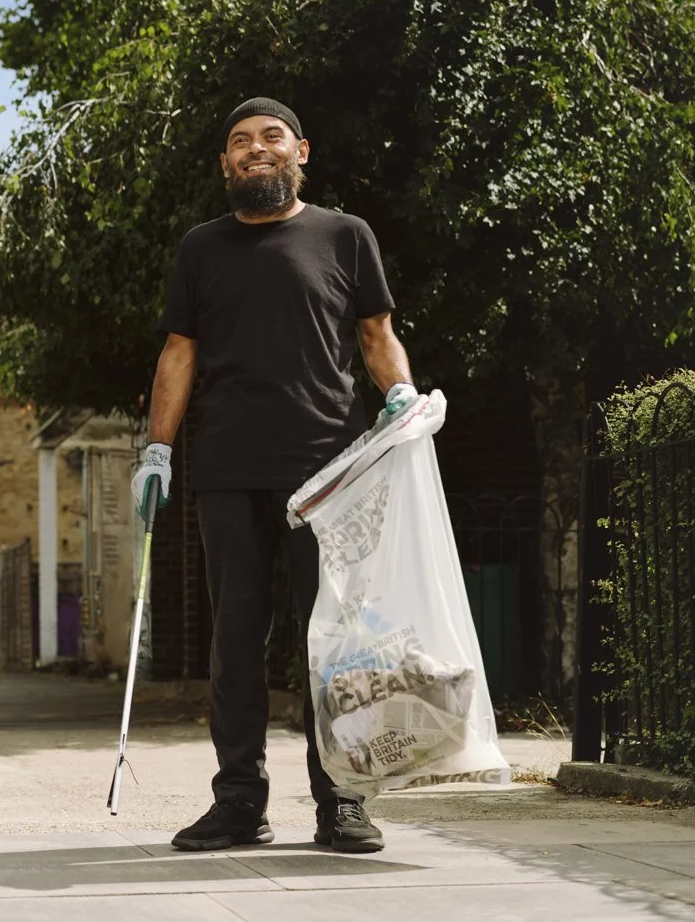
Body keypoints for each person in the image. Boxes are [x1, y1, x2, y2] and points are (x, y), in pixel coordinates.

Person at [132, 96, 417, 855]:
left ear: (301, 151)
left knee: (336, 642)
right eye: (239, 142)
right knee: (236, 640)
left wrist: (401, 402)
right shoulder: (202, 248)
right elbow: (178, 354)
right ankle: (239, 803)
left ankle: (342, 800)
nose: (255, 149)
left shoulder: (345, 236)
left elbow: (376, 335)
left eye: (270, 137)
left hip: (329, 474)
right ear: (226, 164)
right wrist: (156, 450)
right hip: (227, 469)